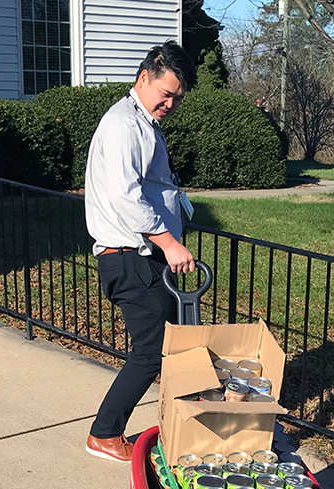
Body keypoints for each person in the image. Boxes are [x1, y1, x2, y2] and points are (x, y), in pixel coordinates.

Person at [83, 41, 198, 463]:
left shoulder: (142, 122)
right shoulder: (124, 127)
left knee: (167, 349)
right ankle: (104, 433)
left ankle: (179, 429)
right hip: (130, 257)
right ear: (144, 76)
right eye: (165, 93)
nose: (170, 103)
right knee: (152, 350)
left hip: (142, 256)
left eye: (177, 98)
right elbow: (126, 196)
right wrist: (168, 241)